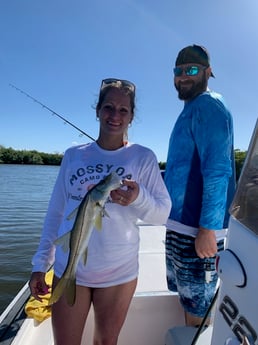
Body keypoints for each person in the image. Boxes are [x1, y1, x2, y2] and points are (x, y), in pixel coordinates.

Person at [29, 78, 171, 345]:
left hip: (118, 272)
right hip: (68, 267)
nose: (114, 116)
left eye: (123, 110)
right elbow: (56, 213)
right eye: (108, 107)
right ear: (97, 110)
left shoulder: (144, 157)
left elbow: (162, 214)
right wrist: (40, 265)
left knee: (106, 342)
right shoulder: (73, 156)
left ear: (131, 117)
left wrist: (138, 198)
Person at [164, 45, 235, 327]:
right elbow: (183, 169)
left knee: (198, 310)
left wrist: (208, 228)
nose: (183, 76)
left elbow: (218, 171)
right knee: (187, 300)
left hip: (198, 231)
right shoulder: (188, 111)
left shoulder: (209, 105)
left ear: (208, 72)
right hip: (179, 227)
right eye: (178, 71)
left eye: (191, 70)